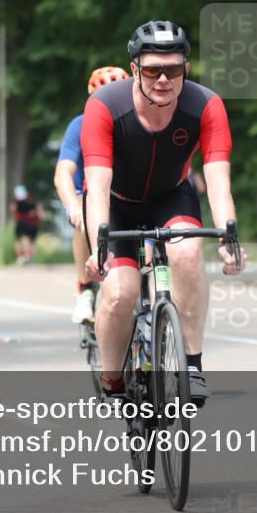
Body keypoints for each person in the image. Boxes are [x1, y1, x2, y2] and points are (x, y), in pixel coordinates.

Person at [83, 20, 246, 405]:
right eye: (152, 69)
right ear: (135, 68)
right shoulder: (104, 106)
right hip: (117, 205)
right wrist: (99, 247)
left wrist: (228, 236)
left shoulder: (206, 105)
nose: (162, 79)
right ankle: (112, 379)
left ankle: (191, 364)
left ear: (185, 70)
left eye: (172, 69)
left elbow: (218, 180)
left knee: (187, 253)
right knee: (120, 293)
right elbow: (98, 184)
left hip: (172, 197)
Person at [55, 66, 130, 322]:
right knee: (83, 222)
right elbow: (63, 172)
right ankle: (85, 290)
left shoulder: (137, 122)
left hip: (121, 191)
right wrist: (74, 207)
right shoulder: (80, 125)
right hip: (84, 190)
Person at [10, 184, 44, 265]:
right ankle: (30, 258)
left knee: (23, 239)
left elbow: (12, 209)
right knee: (31, 241)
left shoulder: (16, 201)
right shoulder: (33, 202)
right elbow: (40, 213)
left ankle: (24, 256)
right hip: (33, 224)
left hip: (22, 222)